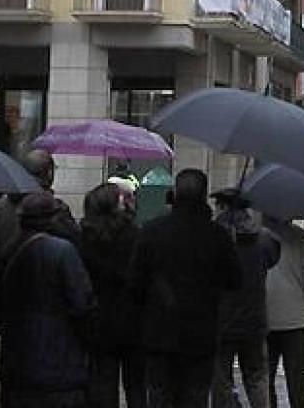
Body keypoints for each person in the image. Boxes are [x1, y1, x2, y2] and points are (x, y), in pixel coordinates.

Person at [130, 169, 242, 408]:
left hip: (159, 332)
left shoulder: (151, 231)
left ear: (175, 194)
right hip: (200, 334)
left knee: (159, 395)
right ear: (203, 197)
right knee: (195, 397)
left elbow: (135, 283)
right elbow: (234, 281)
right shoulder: (217, 235)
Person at [0, 192, 96, 408]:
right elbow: (83, 305)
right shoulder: (64, 251)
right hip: (59, 368)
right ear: (53, 218)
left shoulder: (9, 250)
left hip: (17, 366)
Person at [77, 183, 144, 408]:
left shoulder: (84, 238)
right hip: (133, 320)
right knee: (136, 386)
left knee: (103, 384)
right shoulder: (135, 235)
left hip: (99, 320)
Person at [212, 194, 282, 408]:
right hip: (255, 319)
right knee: (257, 378)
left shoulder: (215, 237)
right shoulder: (265, 239)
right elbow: (272, 259)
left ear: (223, 207)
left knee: (219, 378)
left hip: (222, 322)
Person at [264, 215, 304, 408]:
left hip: (264, 318)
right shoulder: (302, 239)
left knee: (264, 382)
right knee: (298, 383)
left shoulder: (257, 238)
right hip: (295, 321)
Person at [0, 149, 78, 262]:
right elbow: (74, 241)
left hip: (9, 272)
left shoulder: (1, 205)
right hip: (43, 274)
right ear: (49, 173)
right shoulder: (54, 208)